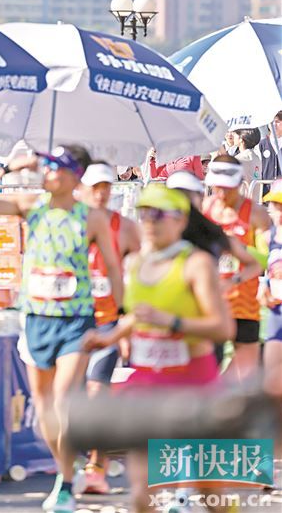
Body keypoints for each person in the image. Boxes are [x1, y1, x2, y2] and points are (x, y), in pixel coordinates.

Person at [0, 146, 123, 513]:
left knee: (64, 398)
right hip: (37, 318)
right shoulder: (30, 204)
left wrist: (118, 320)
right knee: (44, 413)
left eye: (56, 168)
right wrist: (6, 168)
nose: (47, 173)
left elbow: (114, 268)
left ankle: (65, 485)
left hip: (75, 320)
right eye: (46, 167)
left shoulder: (91, 217)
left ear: (73, 176)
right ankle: (68, 468)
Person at [82, 183, 234, 513]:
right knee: (141, 493)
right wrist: (109, 337)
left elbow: (223, 328)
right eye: (144, 214)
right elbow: (139, 314)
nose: (149, 221)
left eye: (158, 214)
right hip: (147, 382)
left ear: (180, 220)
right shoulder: (136, 263)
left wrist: (173, 322)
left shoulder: (196, 264)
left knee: (211, 494)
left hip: (193, 382)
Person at [79, 162, 140, 496]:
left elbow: (139, 274)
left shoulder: (125, 227)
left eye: (106, 186)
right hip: (72, 321)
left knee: (96, 392)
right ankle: (75, 460)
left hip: (108, 322)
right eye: (95, 187)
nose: (101, 193)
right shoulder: (72, 223)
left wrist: (128, 323)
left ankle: (96, 465)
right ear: (83, 190)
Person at [203, 155, 270, 380]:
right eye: (217, 187)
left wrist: (237, 249)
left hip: (244, 303)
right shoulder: (206, 209)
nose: (222, 193)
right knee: (209, 368)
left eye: (228, 188)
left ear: (240, 183)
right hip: (212, 302)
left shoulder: (256, 214)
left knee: (246, 372)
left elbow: (265, 258)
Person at [261, 182, 282, 401]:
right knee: (272, 382)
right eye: (275, 206)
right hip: (277, 312)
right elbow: (270, 266)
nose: (279, 212)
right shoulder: (271, 236)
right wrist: (264, 286)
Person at [259, 111, 282, 185]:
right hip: (266, 187)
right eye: (271, 122)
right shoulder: (262, 144)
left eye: (277, 122)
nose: (274, 124)